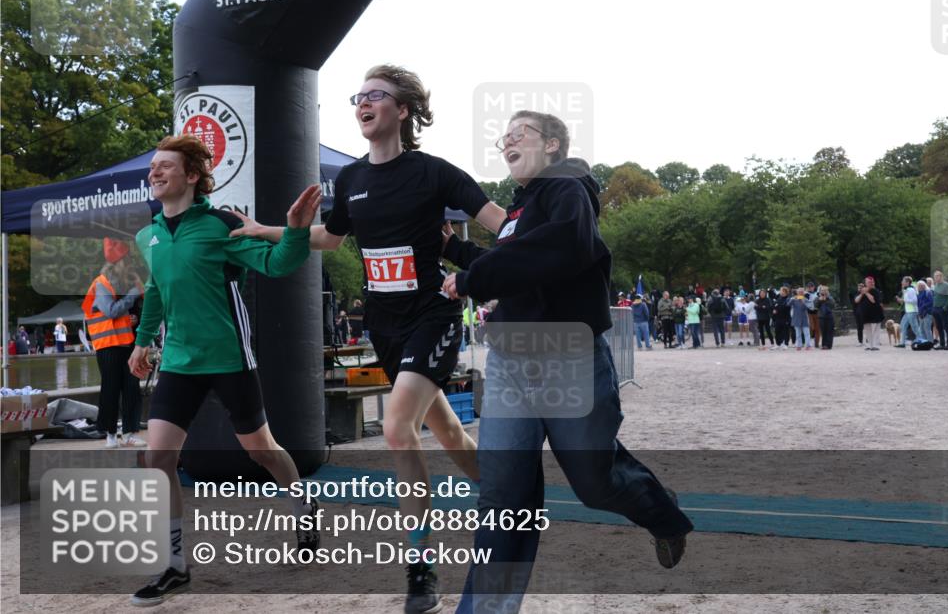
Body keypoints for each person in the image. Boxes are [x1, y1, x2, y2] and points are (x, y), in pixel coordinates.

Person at [231, 65, 507, 613]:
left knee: (399, 428)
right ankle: (506, 498)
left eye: (376, 95)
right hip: (384, 324)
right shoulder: (354, 178)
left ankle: (420, 568)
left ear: (402, 111)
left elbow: (504, 223)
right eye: (358, 96)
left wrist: (519, 259)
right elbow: (330, 239)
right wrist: (268, 229)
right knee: (447, 430)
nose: (363, 102)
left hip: (432, 314)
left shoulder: (435, 172)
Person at [440, 110, 693, 614]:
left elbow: (560, 247)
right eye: (503, 137)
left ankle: (662, 514)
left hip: (569, 360)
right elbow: (518, 264)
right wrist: (457, 251)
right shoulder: (521, 209)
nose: (507, 141)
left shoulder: (568, 186)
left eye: (519, 133)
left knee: (595, 483)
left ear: (552, 144)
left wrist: (472, 278)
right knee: (502, 498)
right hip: (511, 362)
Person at [126, 135, 322, 607]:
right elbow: (156, 291)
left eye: (165, 166)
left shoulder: (222, 225)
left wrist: (295, 230)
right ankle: (174, 566)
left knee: (262, 451)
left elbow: (278, 264)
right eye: (152, 167)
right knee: (158, 459)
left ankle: (303, 505)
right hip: (179, 362)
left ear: (192, 176)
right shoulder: (147, 236)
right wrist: (142, 341)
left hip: (230, 358)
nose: (154, 173)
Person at [83, 238, 146, 449]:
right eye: (128, 260)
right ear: (120, 263)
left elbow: (124, 312)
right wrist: (134, 294)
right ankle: (110, 434)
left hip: (127, 343)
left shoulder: (124, 284)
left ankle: (129, 433)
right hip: (108, 345)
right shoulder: (101, 283)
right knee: (111, 388)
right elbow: (111, 311)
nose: (131, 265)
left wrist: (133, 317)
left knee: (132, 388)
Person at [855, 276, 885, 350]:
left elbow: (873, 300)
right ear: (865, 283)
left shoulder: (875, 291)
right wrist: (862, 294)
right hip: (866, 314)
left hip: (876, 314)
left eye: (871, 282)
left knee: (875, 330)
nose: (870, 283)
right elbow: (856, 300)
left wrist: (866, 293)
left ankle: (874, 345)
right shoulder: (862, 291)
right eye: (869, 282)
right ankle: (869, 345)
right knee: (867, 330)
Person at [896, 276, 919, 347]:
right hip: (908, 312)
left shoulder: (911, 290)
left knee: (915, 328)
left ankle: (922, 341)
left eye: (903, 281)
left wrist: (903, 300)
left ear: (907, 282)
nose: (901, 282)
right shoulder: (906, 290)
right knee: (903, 326)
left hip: (912, 311)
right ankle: (902, 343)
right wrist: (902, 300)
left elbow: (915, 301)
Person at [816, 285, 836, 349]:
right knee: (823, 331)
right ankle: (824, 345)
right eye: (822, 290)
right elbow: (815, 305)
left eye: (825, 290)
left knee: (829, 331)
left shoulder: (830, 298)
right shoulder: (818, 298)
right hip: (821, 317)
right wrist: (819, 300)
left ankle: (829, 345)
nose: (823, 292)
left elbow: (833, 305)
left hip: (829, 316)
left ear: (827, 291)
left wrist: (827, 298)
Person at [804, 281, 820, 348]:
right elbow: (796, 297)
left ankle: (816, 343)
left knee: (817, 328)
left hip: (817, 312)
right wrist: (800, 293)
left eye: (811, 287)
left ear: (813, 287)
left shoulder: (817, 294)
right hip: (809, 313)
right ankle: (809, 341)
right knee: (811, 327)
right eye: (808, 287)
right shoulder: (805, 294)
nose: (810, 288)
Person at [853, 281, 866, 346]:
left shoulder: (867, 294)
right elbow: (856, 300)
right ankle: (860, 341)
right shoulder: (857, 294)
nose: (860, 289)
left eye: (861, 287)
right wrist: (861, 294)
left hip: (866, 313)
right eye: (859, 287)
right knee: (859, 328)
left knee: (867, 327)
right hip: (858, 313)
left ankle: (869, 340)